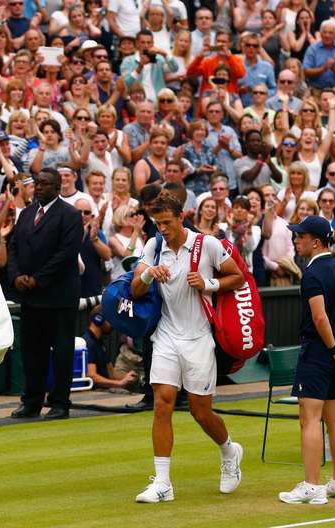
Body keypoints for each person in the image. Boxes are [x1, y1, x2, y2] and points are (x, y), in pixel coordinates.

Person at [130, 193, 245, 503]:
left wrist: (209, 284)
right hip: (165, 336)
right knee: (162, 402)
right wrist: (147, 274)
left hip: (198, 339)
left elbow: (238, 276)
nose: (163, 229)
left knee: (200, 411)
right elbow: (134, 289)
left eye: (167, 223)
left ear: (181, 217)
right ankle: (163, 483)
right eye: (158, 224)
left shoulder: (207, 244)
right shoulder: (154, 245)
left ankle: (229, 451)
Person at [279, 215, 335, 505]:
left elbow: (319, 316)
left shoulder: (312, 275)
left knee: (309, 419)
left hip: (319, 350)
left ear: (315, 242)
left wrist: (330, 350)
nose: (295, 240)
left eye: (300, 236)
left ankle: (312, 487)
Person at [8, 169, 84, 420]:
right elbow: (15, 246)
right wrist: (16, 275)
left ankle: (60, 403)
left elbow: (66, 254)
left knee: (61, 352)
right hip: (30, 296)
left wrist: (38, 279)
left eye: (44, 184)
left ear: (58, 187)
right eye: (36, 183)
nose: (38, 187)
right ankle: (31, 401)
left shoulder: (70, 215)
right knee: (32, 351)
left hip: (59, 296)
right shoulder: (27, 213)